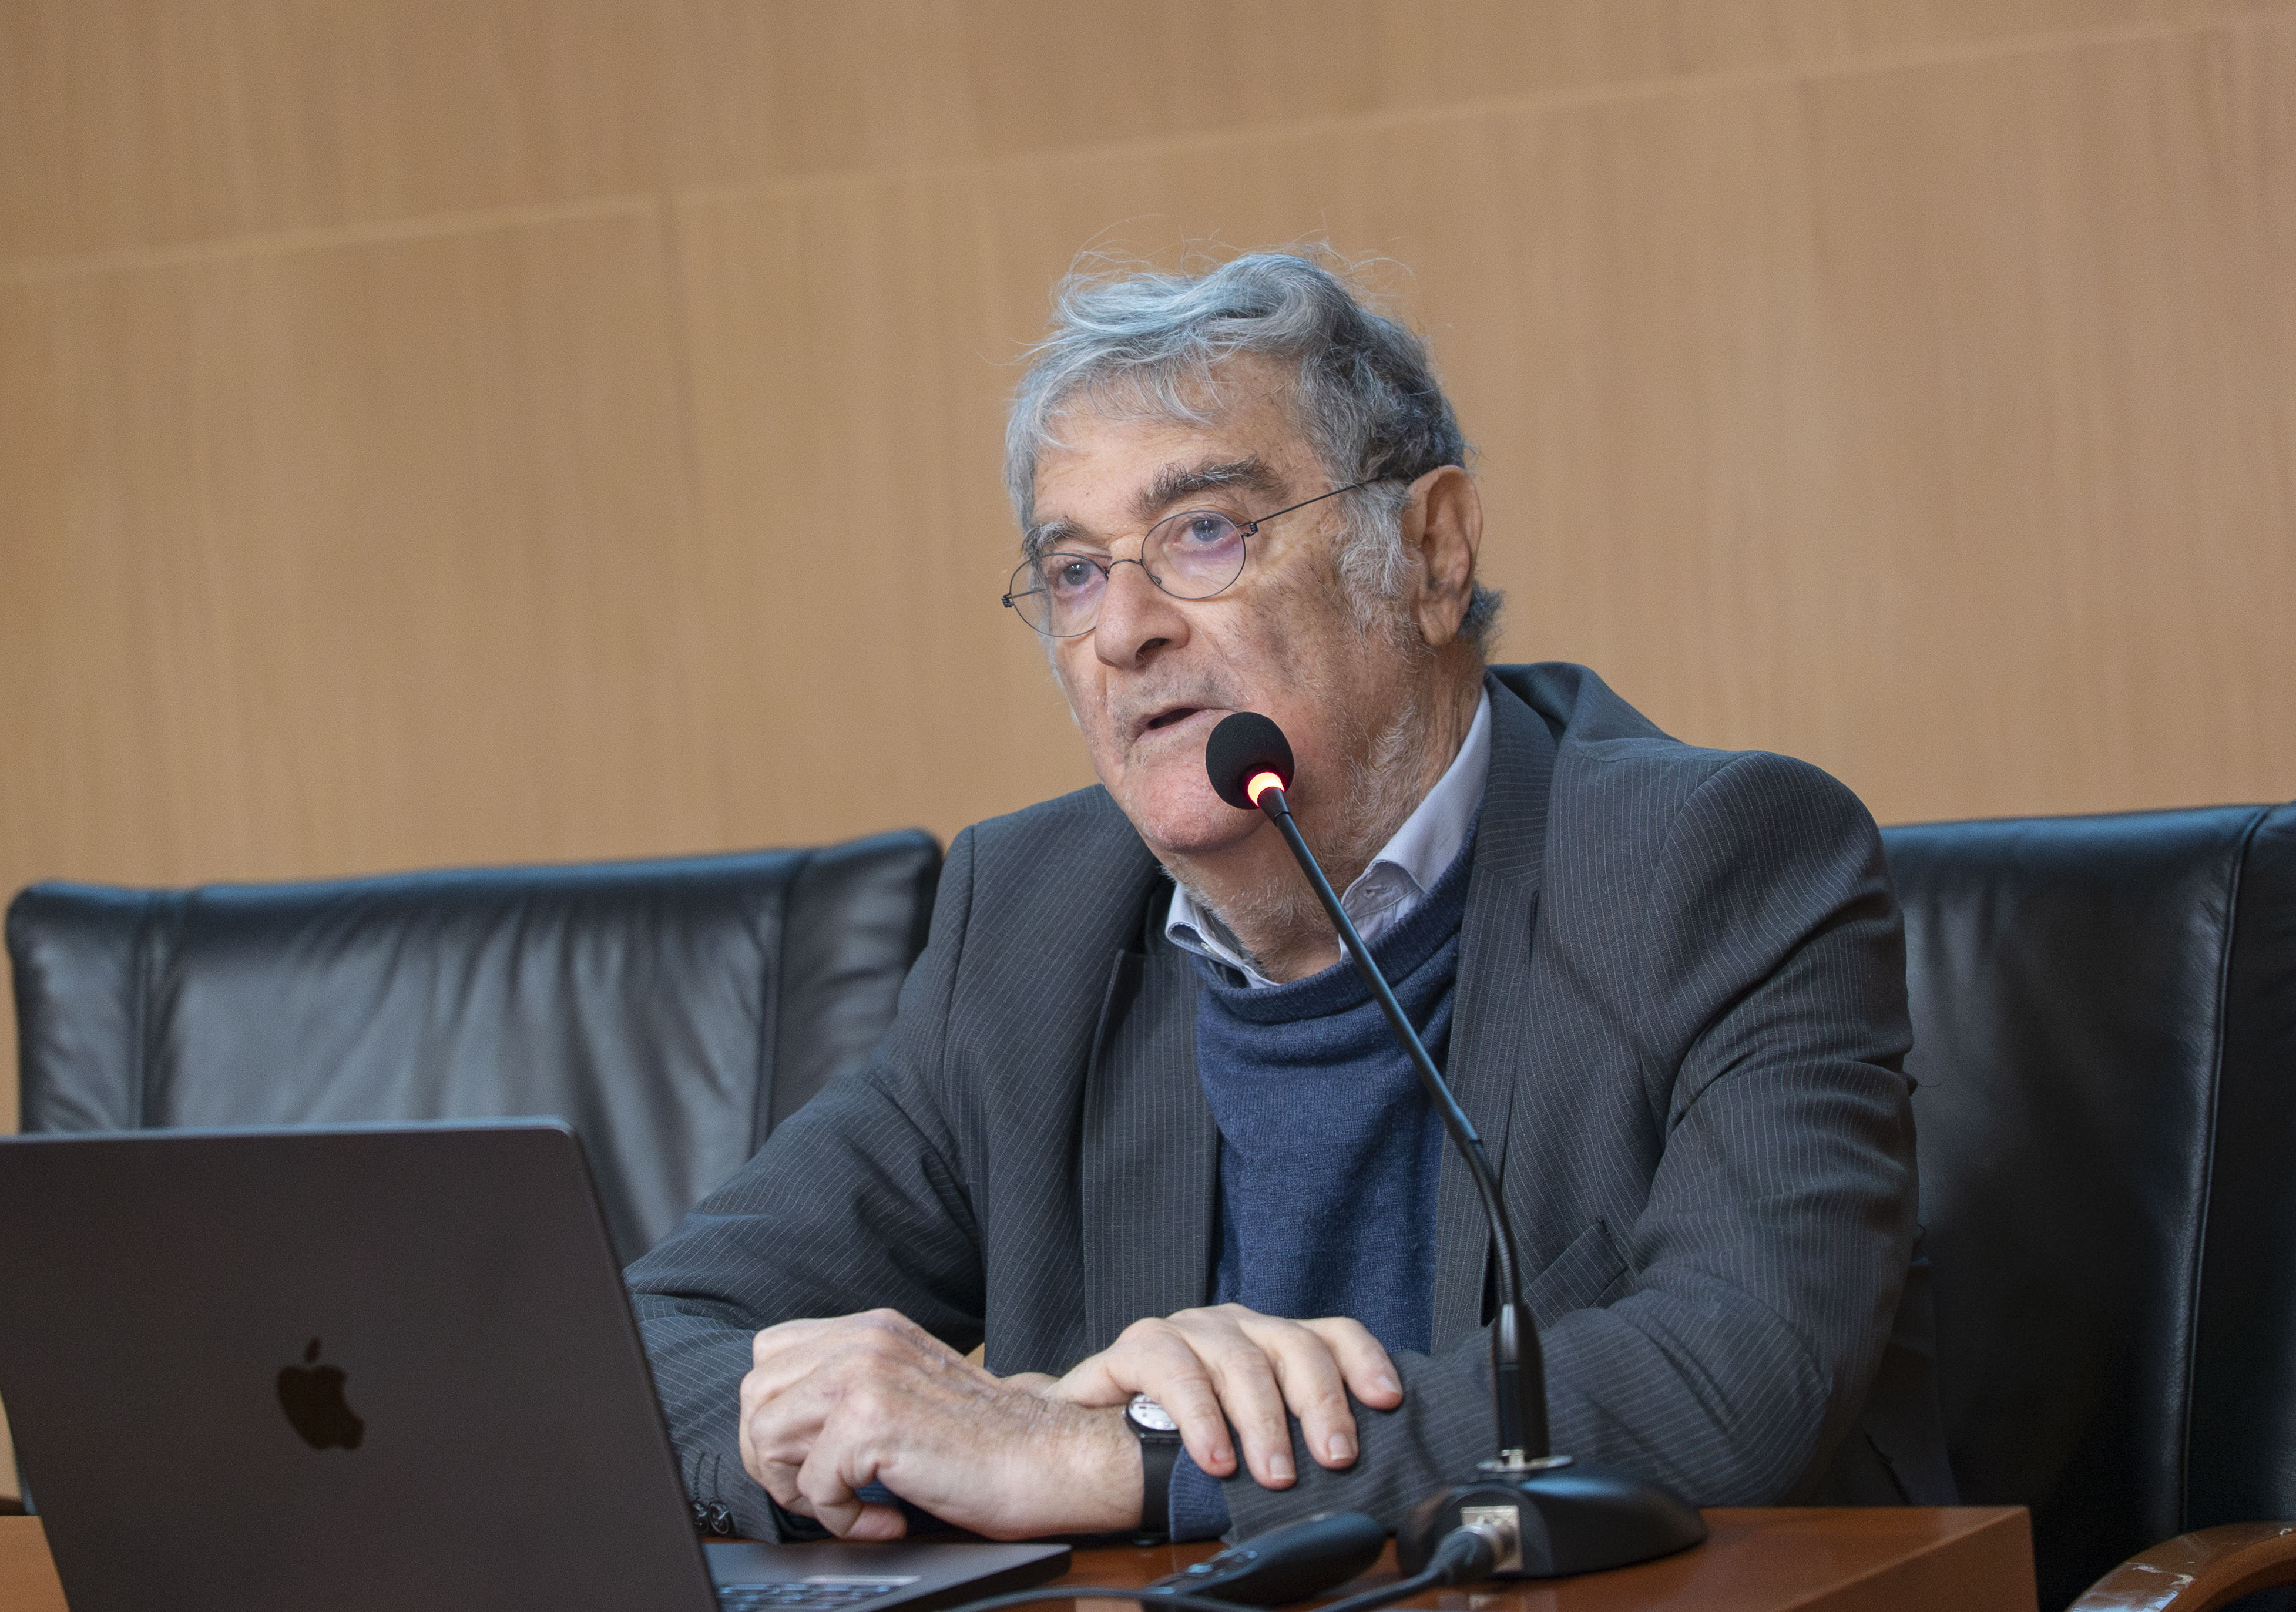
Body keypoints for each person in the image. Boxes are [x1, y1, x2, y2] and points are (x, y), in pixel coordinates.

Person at [625, 250, 1951, 1546]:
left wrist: (1109, 1460)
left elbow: (1735, 1378)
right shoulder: (1034, 922)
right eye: (1075, 569)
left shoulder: (1715, 866)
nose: (1119, 630)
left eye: (1202, 532)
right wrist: (851, 1433)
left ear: (1428, 553)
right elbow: (644, 1344)